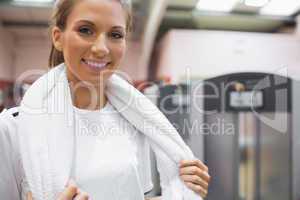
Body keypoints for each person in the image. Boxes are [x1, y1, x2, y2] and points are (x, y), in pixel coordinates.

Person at [0, 0, 211, 199]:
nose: (101, 48)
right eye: (85, 30)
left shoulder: (136, 120)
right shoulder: (14, 129)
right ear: (58, 37)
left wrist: (184, 192)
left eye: (115, 34)